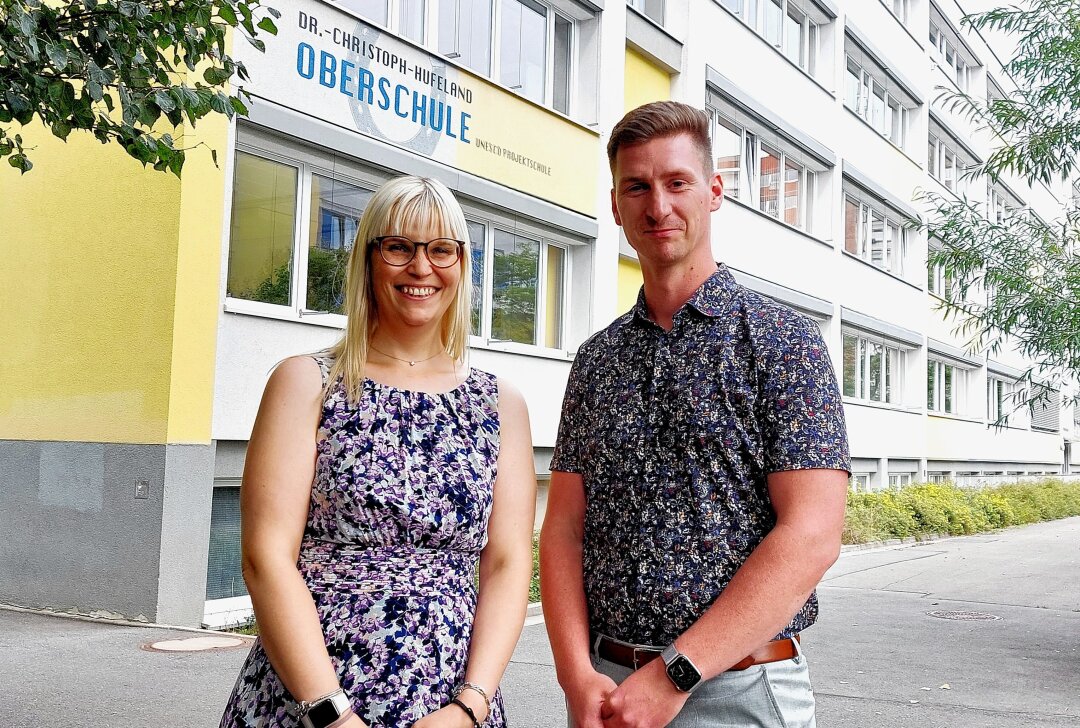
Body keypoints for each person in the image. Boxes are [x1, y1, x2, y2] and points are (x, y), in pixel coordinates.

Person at [540, 101, 850, 728]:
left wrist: (675, 673)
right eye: (638, 187)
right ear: (616, 203)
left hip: (738, 689)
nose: (658, 206)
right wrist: (576, 675)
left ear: (713, 192)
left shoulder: (782, 342)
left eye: (677, 183)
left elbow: (812, 535)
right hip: (610, 691)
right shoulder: (598, 361)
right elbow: (564, 529)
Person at [220, 175, 536, 728]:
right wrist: (331, 714)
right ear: (368, 258)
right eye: (399, 247)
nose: (421, 268)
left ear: (462, 264)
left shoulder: (500, 403)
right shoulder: (307, 384)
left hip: (451, 704)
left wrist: (470, 707)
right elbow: (265, 557)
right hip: (310, 699)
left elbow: (508, 563)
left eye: (441, 249)